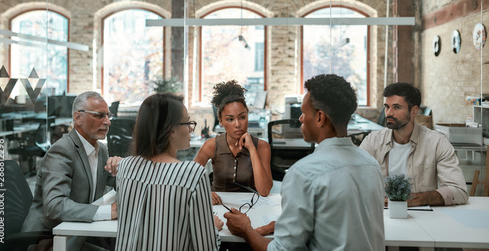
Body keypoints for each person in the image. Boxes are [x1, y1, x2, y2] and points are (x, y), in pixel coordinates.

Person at [224, 74, 385, 251]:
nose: (300, 118)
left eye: (303, 112)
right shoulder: (371, 165)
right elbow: (345, 226)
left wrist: (246, 229)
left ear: (319, 118)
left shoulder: (304, 173)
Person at [115, 93, 223, 251]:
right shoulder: (193, 174)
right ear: (171, 130)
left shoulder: (125, 167)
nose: (191, 128)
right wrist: (212, 228)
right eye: (188, 123)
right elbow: (207, 247)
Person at [21, 91, 123, 251]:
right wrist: (108, 212)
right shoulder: (61, 150)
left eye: (108, 116)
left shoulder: (100, 149)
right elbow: (55, 206)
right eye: (100, 115)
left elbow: (114, 180)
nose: (108, 122)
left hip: (76, 233)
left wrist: (123, 168)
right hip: (47, 239)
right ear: (78, 118)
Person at [360, 82, 468, 206]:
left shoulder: (437, 143)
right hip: (382, 215)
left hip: (423, 216)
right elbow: (355, 181)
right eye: (386, 107)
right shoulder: (372, 141)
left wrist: (418, 199)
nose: (389, 113)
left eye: (396, 107)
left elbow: (459, 191)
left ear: (414, 111)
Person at [194, 80, 272, 204]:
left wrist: (252, 149)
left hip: (252, 206)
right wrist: (205, 193)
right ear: (220, 120)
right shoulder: (212, 145)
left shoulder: (262, 147)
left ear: (248, 116)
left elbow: (264, 191)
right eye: (230, 119)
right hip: (218, 207)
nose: (237, 124)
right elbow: (189, 178)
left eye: (242, 117)